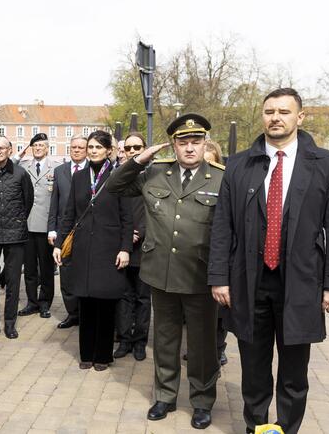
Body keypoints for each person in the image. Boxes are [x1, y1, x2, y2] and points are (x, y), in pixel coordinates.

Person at [209, 88, 329, 434]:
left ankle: (287, 428)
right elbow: (223, 225)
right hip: (250, 282)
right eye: (269, 111)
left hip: (300, 284)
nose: (276, 117)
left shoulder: (325, 164)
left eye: (284, 112)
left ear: (299, 117)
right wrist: (219, 277)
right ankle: (255, 426)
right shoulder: (240, 163)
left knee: (294, 372)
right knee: (254, 370)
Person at [106, 114, 224, 429]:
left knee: (201, 345)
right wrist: (138, 159)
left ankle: (202, 401)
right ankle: (165, 395)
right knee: (166, 340)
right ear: (174, 144)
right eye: (183, 142)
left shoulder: (222, 178)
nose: (189, 148)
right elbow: (114, 186)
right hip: (161, 272)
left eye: (195, 142)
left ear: (204, 144)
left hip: (200, 275)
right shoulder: (155, 173)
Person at [53, 131, 133, 371]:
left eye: (99, 147)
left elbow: (127, 218)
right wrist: (59, 244)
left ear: (109, 150)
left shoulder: (118, 177)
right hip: (83, 249)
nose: (94, 150)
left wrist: (125, 248)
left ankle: (103, 355)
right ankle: (86, 354)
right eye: (91, 147)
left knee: (105, 303)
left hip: (109, 248)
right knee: (86, 302)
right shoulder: (78, 178)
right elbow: (69, 215)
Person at [0, 135, 33, 340]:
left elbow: (28, 201)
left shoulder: (20, 174)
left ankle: (10, 323)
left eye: (2, 148)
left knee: (12, 281)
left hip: (15, 235)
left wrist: (17, 221)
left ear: (10, 150)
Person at [113, 133, 151, 362]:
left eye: (138, 147)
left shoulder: (153, 176)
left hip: (145, 247)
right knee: (123, 296)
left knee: (143, 298)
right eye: (129, 148)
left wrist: (138, 233)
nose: (133, 151)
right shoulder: (118, 175)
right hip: (121, 247)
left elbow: (156, 211)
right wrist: (124, 236)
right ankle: (125, 338)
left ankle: (140, 341)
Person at [18, 133, 61, 319]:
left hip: (46, 226)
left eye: (41, 145)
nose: (37, 149)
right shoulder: (22, 166)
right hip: (26, 224)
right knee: (29, 269)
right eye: (34, 145)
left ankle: (45, 303)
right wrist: (19, 154)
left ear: (47, 147)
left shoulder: (57, 168)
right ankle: (31, 302)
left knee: (46, 268)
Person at [47, 135, 87, 329]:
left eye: (81, 147)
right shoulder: (60, 171)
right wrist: (52, 229)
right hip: (65, 232)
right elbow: (54, 202)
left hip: (87, 230)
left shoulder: (93, 170)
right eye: (74, 147)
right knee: (66, 273)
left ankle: (86, 312)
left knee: (85, 272)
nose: (77, 150)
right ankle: (73, 313)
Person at [202, 139, 229, 365]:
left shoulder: (225, 185)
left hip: (219, 255)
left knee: (219, 312)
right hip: (197, 258)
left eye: (211, 163)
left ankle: (218, 348)